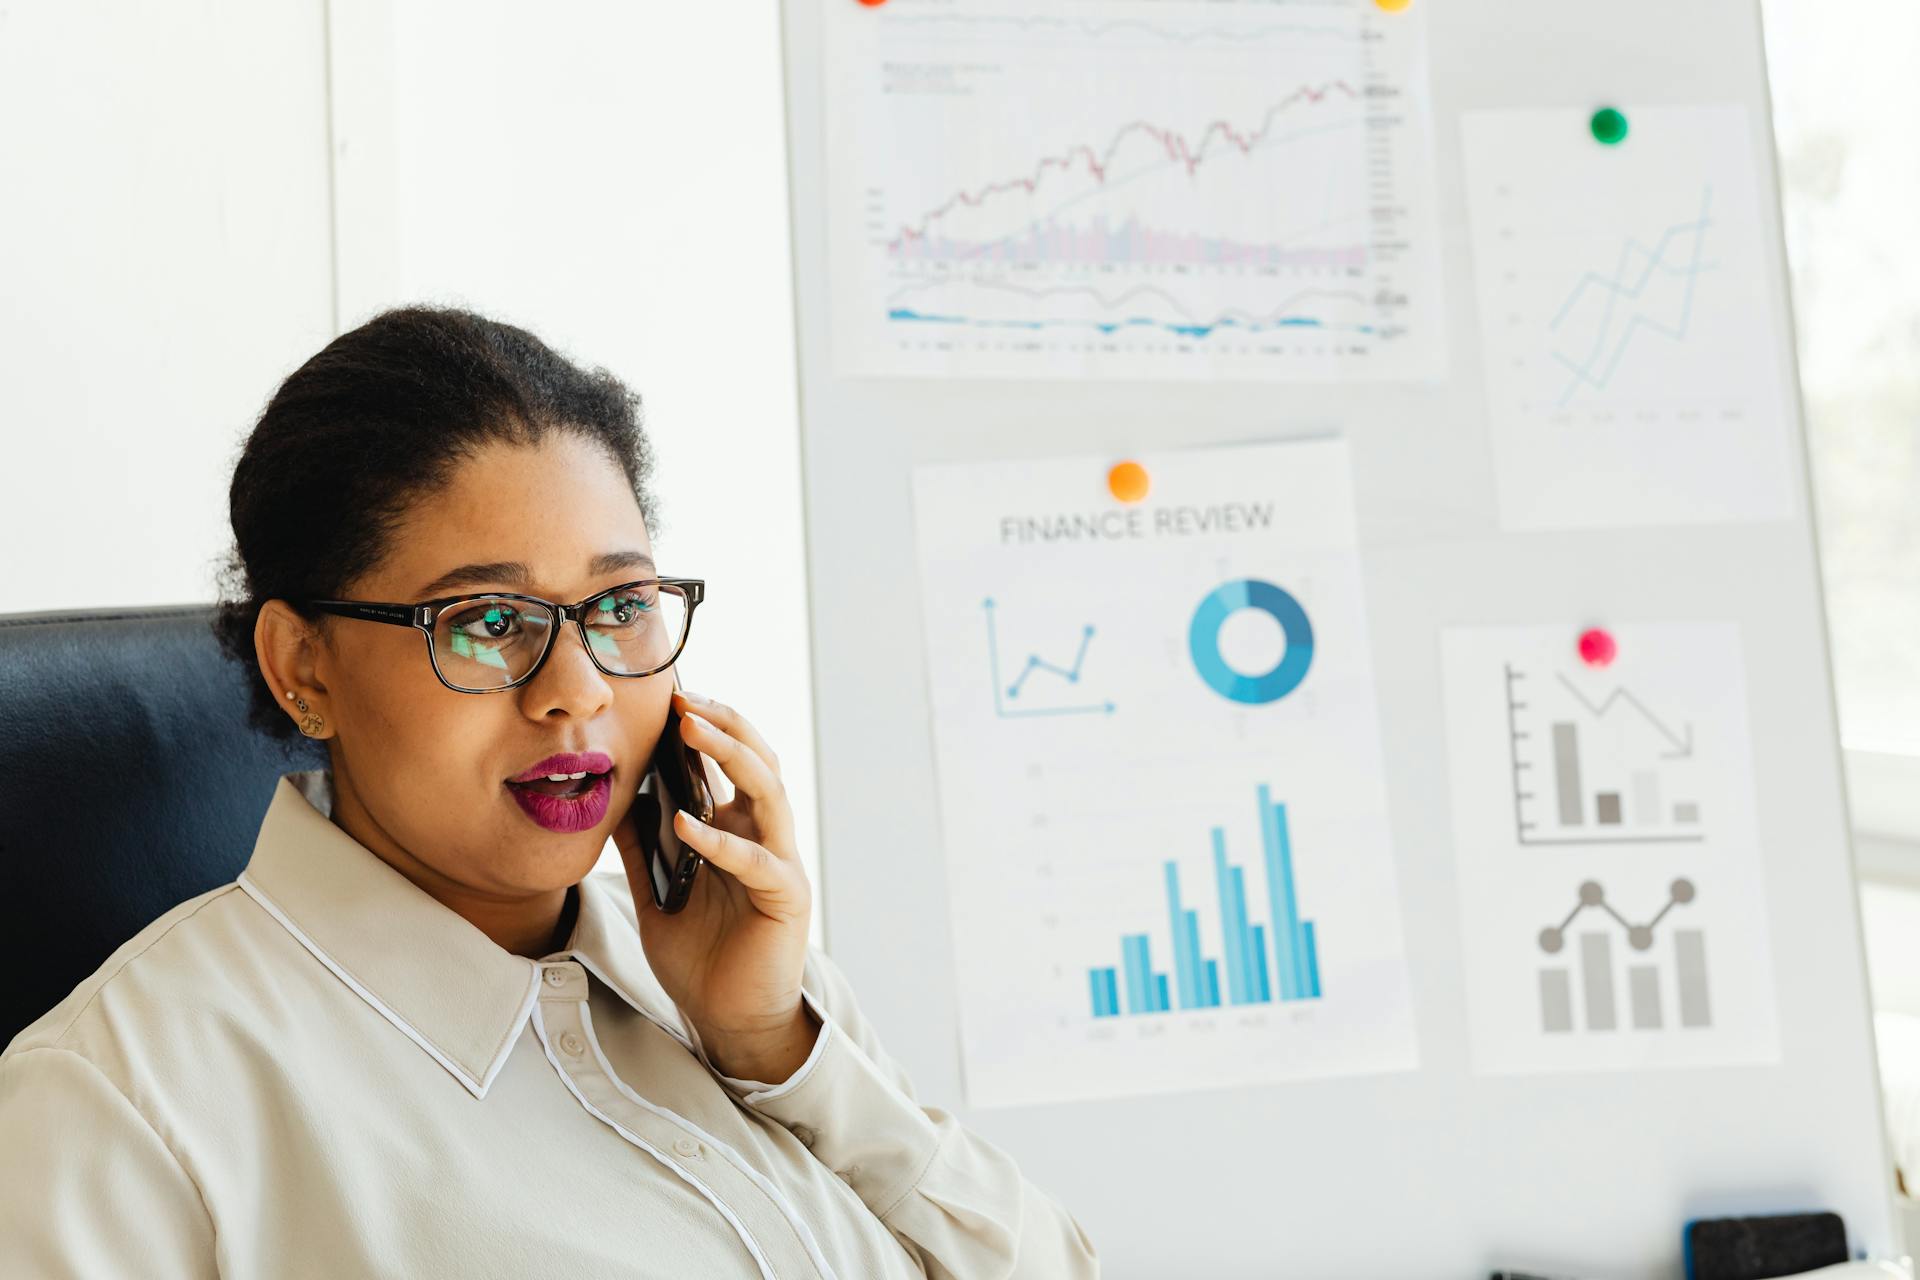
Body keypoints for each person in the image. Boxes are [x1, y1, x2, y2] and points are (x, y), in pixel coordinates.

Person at [0, 306, 1099, 1278]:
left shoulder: (742, 982)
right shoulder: (123, 1097)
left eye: (620, 606)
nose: (574, 693)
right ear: (304, 666)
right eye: (485, 621)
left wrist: (777, 1047)